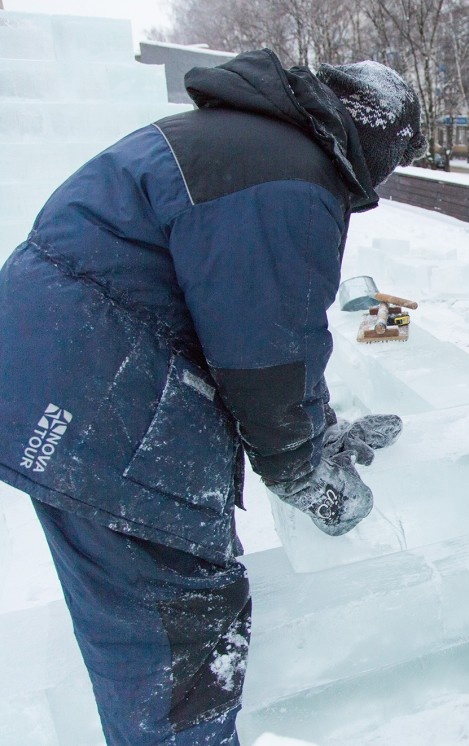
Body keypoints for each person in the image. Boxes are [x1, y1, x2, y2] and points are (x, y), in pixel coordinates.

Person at [0, 49, 426, 744]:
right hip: (105, 400)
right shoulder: (287, 178)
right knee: (181, 622)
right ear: (380, 141)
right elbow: (265, 357)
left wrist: (315, 431)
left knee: (155, 622)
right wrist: (303, 471)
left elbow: (270, 328)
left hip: (76, 383)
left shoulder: (255, 145)